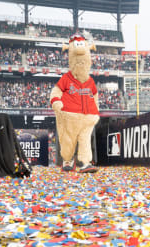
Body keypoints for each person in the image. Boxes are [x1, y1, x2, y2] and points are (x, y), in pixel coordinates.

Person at [49, 34, 99, 173]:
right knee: (68, 141)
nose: (81, 64)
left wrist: (96, 112)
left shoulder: (90, 82)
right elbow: (56, 91)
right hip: (69, 116)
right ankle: (68, 159)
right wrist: (56, 101)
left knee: (85, 140)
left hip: (87, 117)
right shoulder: (66, 78)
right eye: (79, 61)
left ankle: (85, 162)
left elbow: (95, 96)